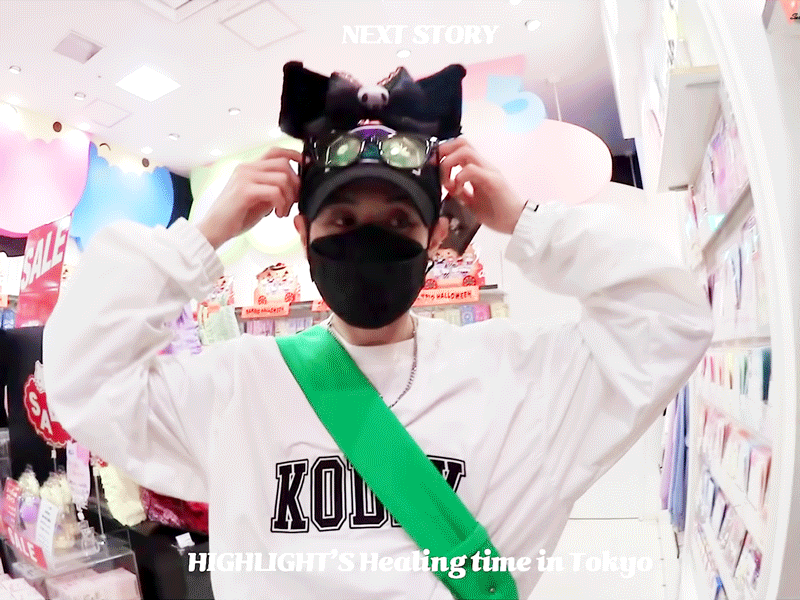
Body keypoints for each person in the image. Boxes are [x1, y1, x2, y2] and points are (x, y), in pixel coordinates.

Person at [43, 67, 713, 599]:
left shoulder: (516, 378)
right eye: (341, 221)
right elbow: (81, 378)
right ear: (303, 235)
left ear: (437, 236)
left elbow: (672, 318)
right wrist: (204, 233)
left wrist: (525, 220)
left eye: (397, 221)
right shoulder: (238, 385)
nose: (368, 239)